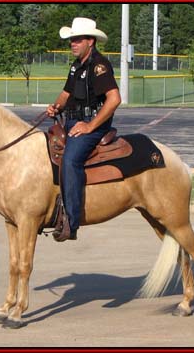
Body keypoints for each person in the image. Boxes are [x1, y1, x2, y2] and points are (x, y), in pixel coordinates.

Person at [47, 17, 121, 242]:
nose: (73, 43)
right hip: (71, 122)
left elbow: (114, 99)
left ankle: (71, 220)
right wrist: (56, 106)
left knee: (70, 161)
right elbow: (66, 93)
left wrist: (90, 125)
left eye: (77, 39)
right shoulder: (75, 65)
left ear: (91, 41)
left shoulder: (99, 66)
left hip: (92, 126)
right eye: (71, 40)